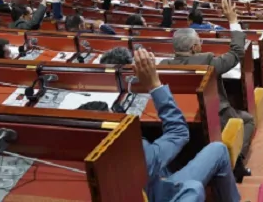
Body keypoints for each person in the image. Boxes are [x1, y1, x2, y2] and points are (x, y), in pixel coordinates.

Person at [78, 48, 241, 201]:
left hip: (155, 185)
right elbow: (179, 132)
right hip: (159, 193)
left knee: (218, 149)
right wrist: (154, 85)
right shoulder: (138, 153)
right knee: (194, 188)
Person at [162, 0, 253, 182]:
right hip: (216, 115)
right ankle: (235, 163)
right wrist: (233, 20)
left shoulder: (164, 65)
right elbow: (237, 52)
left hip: (182, 118)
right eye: (200, 42)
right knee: (248, 120)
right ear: (195, 47)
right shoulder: (207, 61)